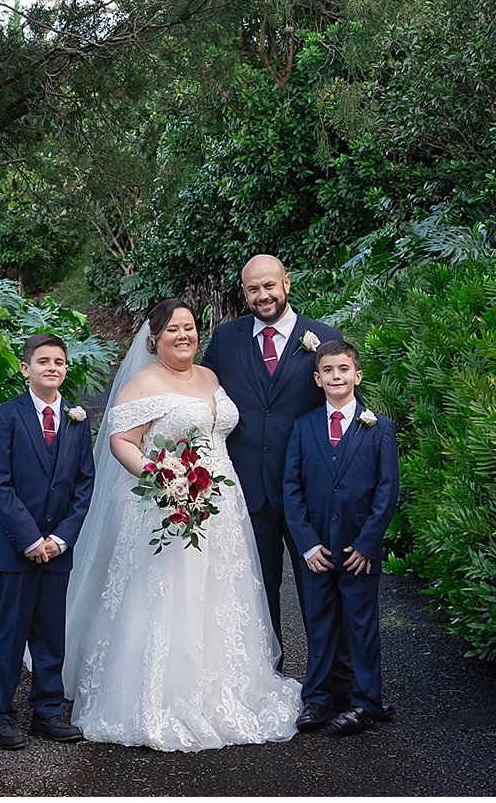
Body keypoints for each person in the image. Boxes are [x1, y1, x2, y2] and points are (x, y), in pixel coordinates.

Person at [60, 298, 301, 751]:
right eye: (173, 329)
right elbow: (122, 442)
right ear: (154, 337)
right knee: (171, 594)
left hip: (224, 507)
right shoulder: (142, 383)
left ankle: (226, 686)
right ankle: (161, 695)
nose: (183, 335)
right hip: (169, 508)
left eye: (189, 327)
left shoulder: (210, 377)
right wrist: (163, 479)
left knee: (221, 593)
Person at [204, 254, 351, 713]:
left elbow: (344, 415)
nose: (262, 296)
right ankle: (262, 682)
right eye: (252, 290)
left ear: (286, 283)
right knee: (253, 590)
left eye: (269, 286)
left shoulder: (323, 339)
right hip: (245, 490)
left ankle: (327, 689)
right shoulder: (226, 339)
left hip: (310, 494)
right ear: (243, 293)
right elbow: (194, 388)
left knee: (318, 590)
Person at [0, 333, 97, 750]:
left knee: (51, 633)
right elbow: (0, 483)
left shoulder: (76, 419)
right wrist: (31, 539)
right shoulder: (6, 416)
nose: (52, 367)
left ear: (66, 369)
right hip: (16, 549)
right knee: (10, 634)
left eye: (60, 362)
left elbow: (85, 484)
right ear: (25, 368)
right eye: (43, 361)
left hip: (57, 549)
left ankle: (47, 712)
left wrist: (61, 538)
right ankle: (0, 715)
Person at [283, 339, 399, 736]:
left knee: (361, 624)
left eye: (343, 370)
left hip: (357, 550)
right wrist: (307, 543)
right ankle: (317, 698)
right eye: (328, 371)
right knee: (319, 622)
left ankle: (366, 701)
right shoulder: (304, 427)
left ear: (357, 375)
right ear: (317, 378)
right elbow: (291, 488)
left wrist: (368, 543)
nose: (336, 377)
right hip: (318, 548)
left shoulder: (379, 428)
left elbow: (387, 490)